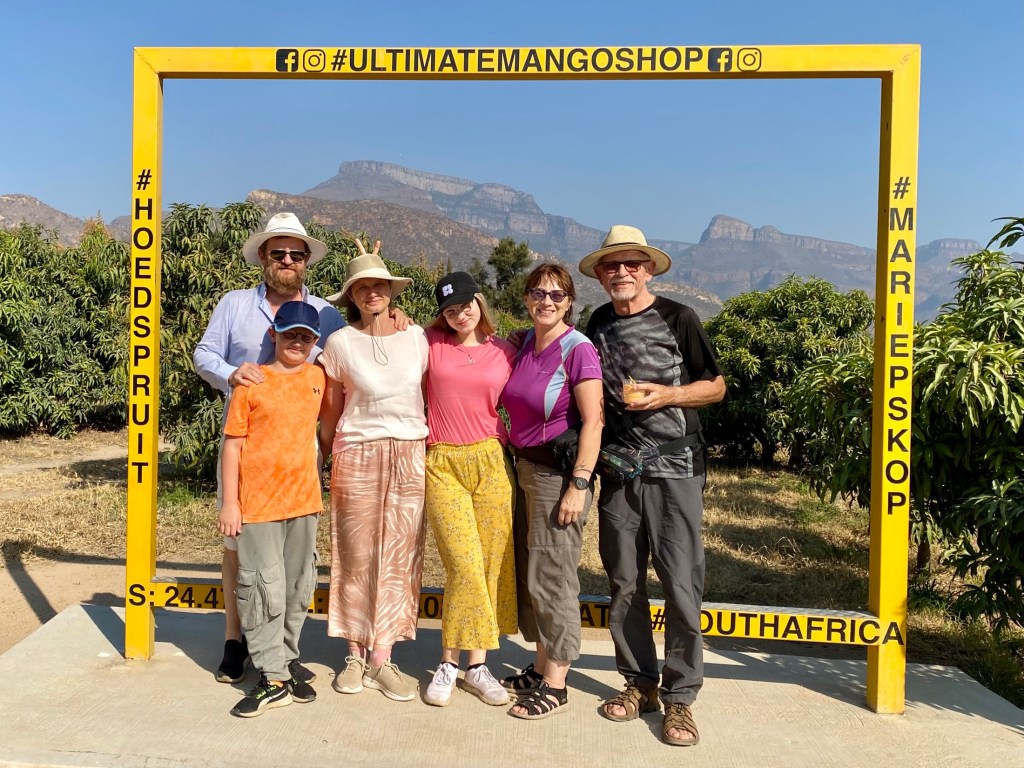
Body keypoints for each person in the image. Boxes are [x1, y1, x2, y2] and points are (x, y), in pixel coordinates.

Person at [579, 225, 726, 747]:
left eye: (631, 264)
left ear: (648, 270)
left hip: (676, 469)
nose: (621, 272)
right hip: (620, 472)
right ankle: (639, 683)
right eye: (611, 265)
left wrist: (667, 396)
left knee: (681, 584)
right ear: (600, 275)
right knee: (624, 582)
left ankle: (680, 697)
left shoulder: (678, 317)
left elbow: (716, 386)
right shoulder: (598, 322)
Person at [194, 212, 344, 686]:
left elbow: (351, 353)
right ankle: (235, 640)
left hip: (297, 459)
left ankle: (279, 650)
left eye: (296, 254)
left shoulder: (325, 313)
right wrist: (231, 373)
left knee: (293, 562)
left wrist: (389, 317)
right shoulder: (235, 304)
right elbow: (203, 354)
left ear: (307, 260)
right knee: (238, 546)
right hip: (244, 447)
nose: (287, 260)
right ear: (262, 256)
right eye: (278, 252)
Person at [318, 242, 429, 703]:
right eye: (361, 287)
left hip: (409, 452)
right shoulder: (340, 343)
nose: (371, 293)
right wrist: (326, 457)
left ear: (390, 290)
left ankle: (383, 657)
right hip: (357, 454)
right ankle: (354, 654)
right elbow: (331, 411)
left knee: (400, 556)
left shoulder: (416, 336)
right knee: (356, 555)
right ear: (352, 295)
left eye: (378, 285)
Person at [499, 263, 604, 720]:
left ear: (569, 302)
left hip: (557, 478)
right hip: (522, 469)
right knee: (532, 573)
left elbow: (594, 421)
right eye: (539, 293)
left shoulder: (578, 350)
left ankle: (557, 684)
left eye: (557, 295)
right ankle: (541, 667)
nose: (547, 301)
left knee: (553, 578)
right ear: (526, 298)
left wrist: (579, 484)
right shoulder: (524, 342)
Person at [218, 301, 326, 717]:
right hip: (258, 505)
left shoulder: (318, 378)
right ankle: (272, 677)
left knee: (297, 586)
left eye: (306, 336)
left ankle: (285, 661)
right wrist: (231, 503)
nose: (297, 341)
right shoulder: (251, 382)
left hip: (303, 502)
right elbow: (232, 446)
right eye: (289, 333)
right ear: (273, 335)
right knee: (261, 589)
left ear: (315, 342)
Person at [422, 272, 518, 708]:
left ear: (480, 302)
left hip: (491, 460)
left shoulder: (506, 350)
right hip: (443, 461)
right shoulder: (429, 342)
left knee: (491, 563)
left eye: (466, 306)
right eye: (450, 310)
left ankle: (477, 666)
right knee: (463, 564)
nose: (460, 315)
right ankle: (448, 662)